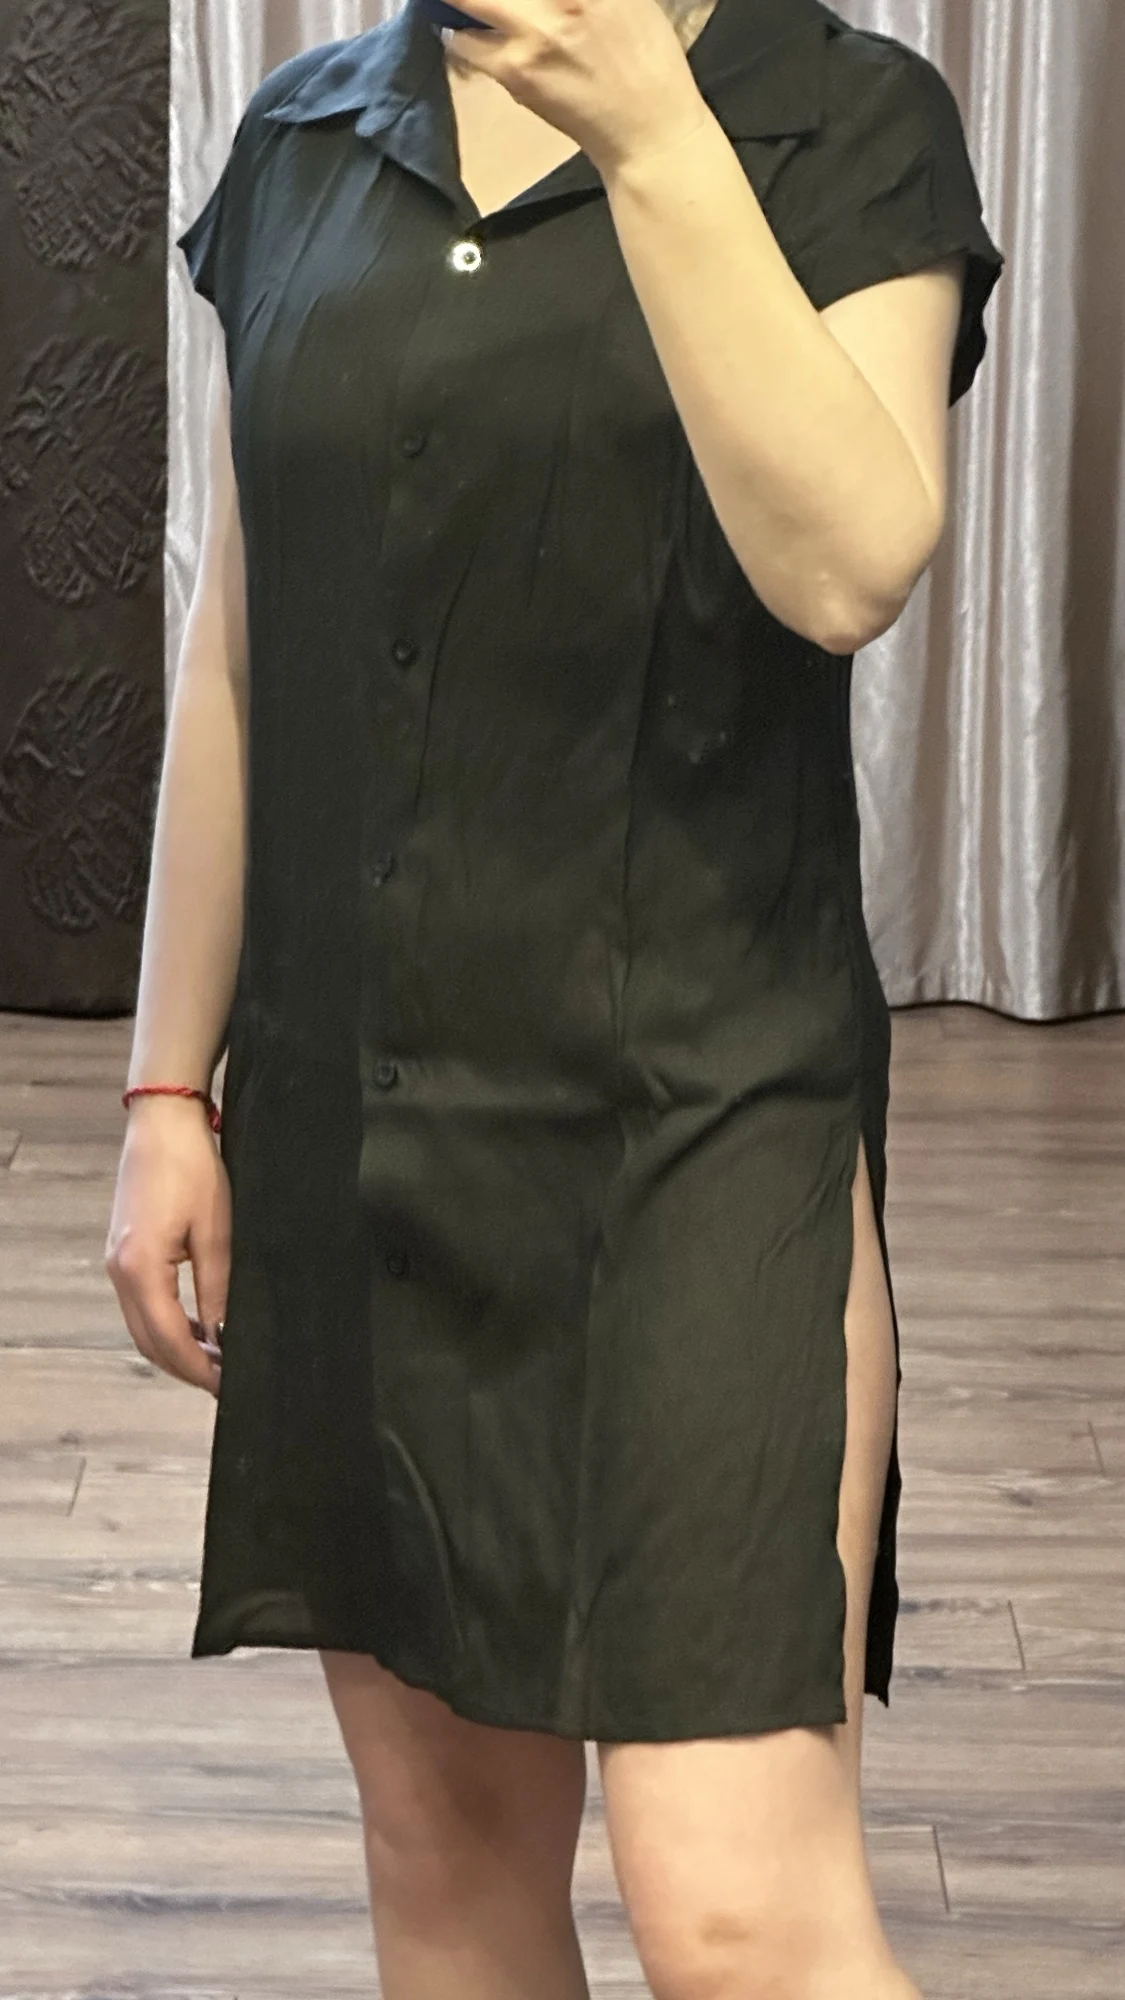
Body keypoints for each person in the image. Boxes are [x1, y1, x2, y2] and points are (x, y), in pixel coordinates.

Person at [108, 0, 1004, 1994]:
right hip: (362, 1128)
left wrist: (652, 133)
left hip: (703, 1124)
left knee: (739, 1910)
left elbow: (851, 565)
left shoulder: (843, 125)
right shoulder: (303, 143)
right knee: (447, 1861)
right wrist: (168, 1089)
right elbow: (240, 647)